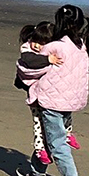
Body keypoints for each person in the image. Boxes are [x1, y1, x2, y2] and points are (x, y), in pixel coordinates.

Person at [13, 4, 89, 176]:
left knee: (56, 142)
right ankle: (37, 173)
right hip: (70, 101)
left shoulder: (54, 47)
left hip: (51, 101)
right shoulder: (82, 46)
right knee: (48, 136)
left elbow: (27, 68)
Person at [13, 21, 61, 166]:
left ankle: (68, 134)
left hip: (47, 93)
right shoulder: (27, 49)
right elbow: (30, 60)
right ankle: (40, 149)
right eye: (35, 41)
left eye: (41, 43)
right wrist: (48, 59)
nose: (36, 46)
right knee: (38, 122)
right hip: (33, 93)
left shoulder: (52, 49)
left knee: (59, 116)